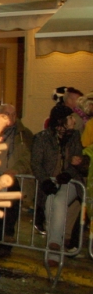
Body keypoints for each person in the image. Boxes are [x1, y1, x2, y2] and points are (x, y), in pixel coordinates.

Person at [32, 105, 85, 264]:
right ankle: (54, 254)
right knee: (50, 203)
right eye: (70, 118)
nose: (74, 121)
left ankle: (54, 243)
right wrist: (45, 181)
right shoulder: (42, 138)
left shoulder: (74, 136)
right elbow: (36, 163)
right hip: (50, 182)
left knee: (59, 200)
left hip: (70, 181)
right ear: (61, 121)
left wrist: (68, 173)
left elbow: (78, 160)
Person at [0, 103, 33, 258]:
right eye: (6, 113)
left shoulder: (24, 134)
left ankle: (6, 243)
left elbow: (27, 157)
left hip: (13, 179)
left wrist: (15, 171)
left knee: (10, 213)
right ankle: (1, 241)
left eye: (13, 114)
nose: (10, 117)